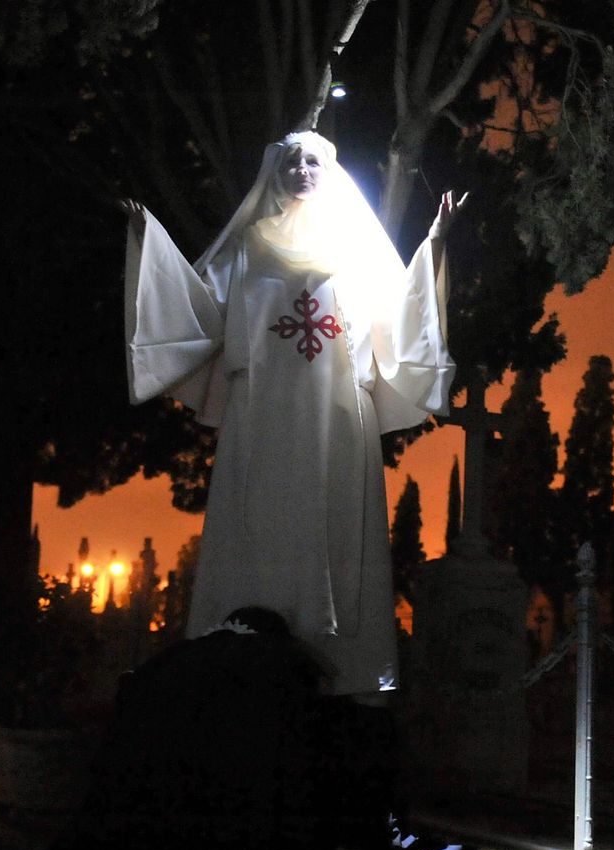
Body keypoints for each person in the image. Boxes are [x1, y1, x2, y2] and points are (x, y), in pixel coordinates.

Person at [125, 132, 461, 697]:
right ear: (274, 173)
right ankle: (242, 664)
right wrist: (151, 244)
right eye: (290, 162)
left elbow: (400, 314)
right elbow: (198, 308)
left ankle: (343, 674)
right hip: (262, 417)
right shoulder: (249, 246)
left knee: (336, 530)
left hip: (337, 419)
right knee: (258, 524)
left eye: (312, 161)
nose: (301, 170)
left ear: (330, 173)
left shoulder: (357, 252)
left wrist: (433, 244)